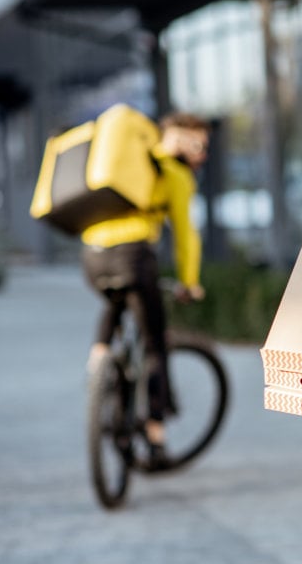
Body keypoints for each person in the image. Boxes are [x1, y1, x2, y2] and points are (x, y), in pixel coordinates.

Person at [81, 111, 209, 466]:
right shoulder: (175, 173)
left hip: (91, 256)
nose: (203, 155)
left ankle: (98, 369)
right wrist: (189, 282)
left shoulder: (132, 162)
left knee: (117, 302)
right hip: (133, 257)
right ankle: (155, 439)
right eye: (200, 145)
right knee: (155, 346)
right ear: (181, 140)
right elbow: (186, 236)